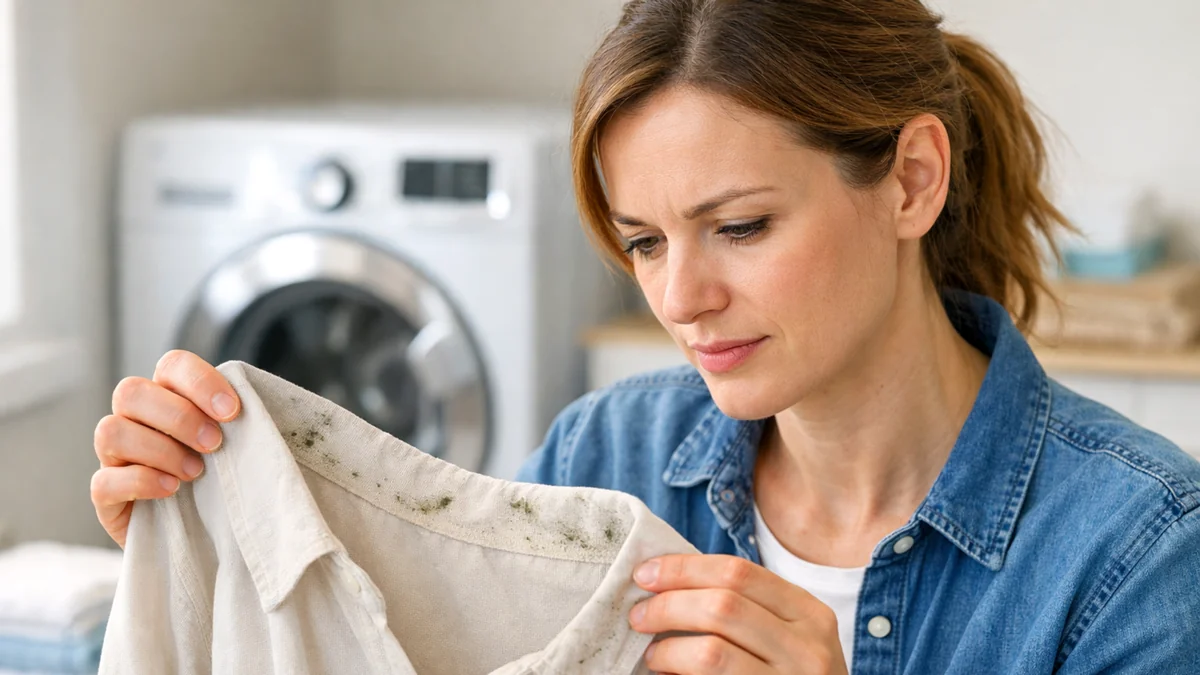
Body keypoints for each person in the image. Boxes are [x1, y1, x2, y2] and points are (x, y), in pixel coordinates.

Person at [90, 1, 1200, 673]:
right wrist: (201, 546)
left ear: (911, 180)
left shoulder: (1139, 553)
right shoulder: (599, 461)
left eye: (739, 227)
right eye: (644, 242)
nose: (682, 298)